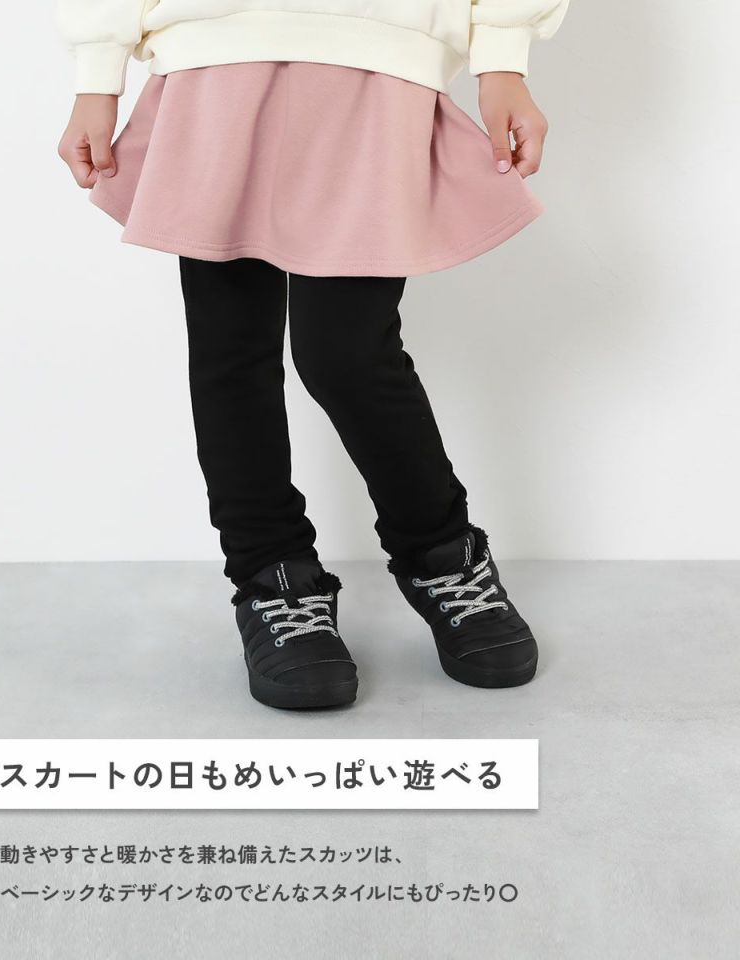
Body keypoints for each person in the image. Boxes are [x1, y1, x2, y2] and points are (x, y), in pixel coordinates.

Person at [57, 1, 569, 710]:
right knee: (232, 350)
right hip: (214, 51)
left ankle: (443, 558)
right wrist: (96, 74)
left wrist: (503, 60)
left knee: (349, 352)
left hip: (383, 51)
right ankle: (273, 580)